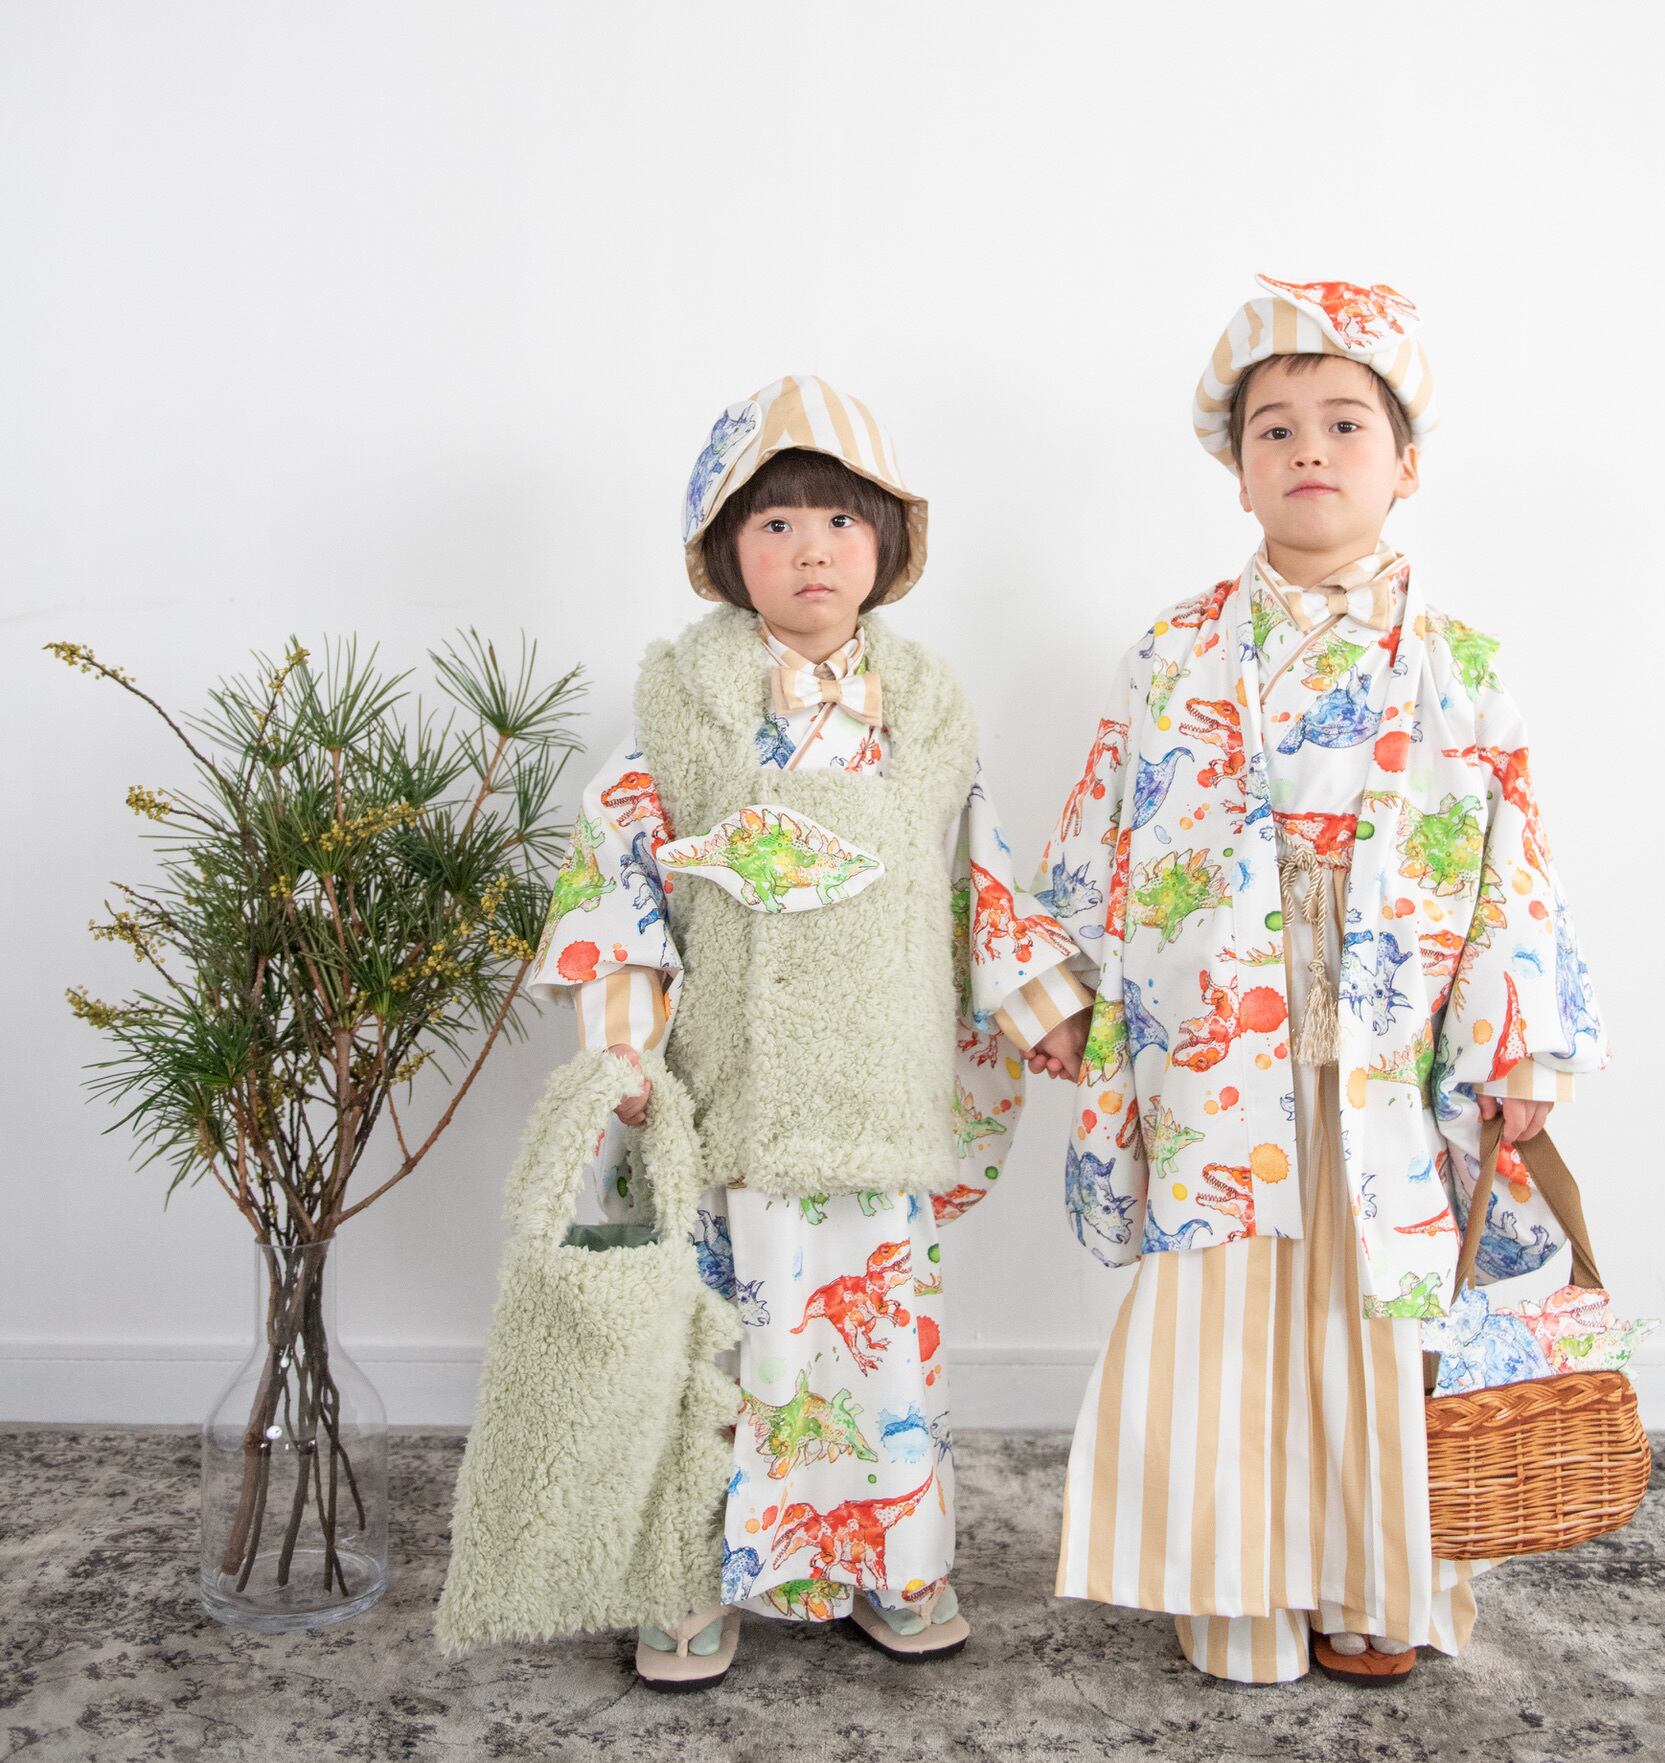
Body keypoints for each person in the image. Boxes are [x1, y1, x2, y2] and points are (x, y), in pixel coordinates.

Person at [1026, 277, 1609, 1684]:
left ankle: (1374, 1571)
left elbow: (1513, 864)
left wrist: (1521, 1048)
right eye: (1274, 428)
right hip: (1219, 1025)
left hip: (1394, 1032)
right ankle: (1231, 1579)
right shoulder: (1172, 653)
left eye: (1347, 423)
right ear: (1237, 472)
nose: (1309, 450)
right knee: (1225, 1306)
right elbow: (1105, 825)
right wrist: (1067, 990)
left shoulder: (1461, 662)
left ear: (1406, 463)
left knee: (1376, 1303)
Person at [530, 374, 1090, 1686]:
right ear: (725, 551)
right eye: (774, 523)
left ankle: (888, 1558)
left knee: (873, 1337)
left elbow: (978, 878)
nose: (811, 550)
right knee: (717, 1339)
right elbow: (620, 877)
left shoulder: (926, 713)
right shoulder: (680, 713)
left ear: (889, 543)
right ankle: (689, 1574)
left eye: (841, 520)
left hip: (879, 1079)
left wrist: (1041, 1006)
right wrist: (625, 1041)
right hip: (733, 1077)